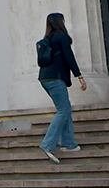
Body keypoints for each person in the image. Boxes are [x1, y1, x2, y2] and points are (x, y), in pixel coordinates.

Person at [37, 12, 87, 164]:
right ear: (61, 22)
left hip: (44, 78)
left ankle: (69, 143)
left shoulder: (48, 39)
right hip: (55, 78)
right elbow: (69, 57)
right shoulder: (61, 37)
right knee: (63, 110)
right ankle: (47, 144)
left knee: (65, 108)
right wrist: (79, 76)